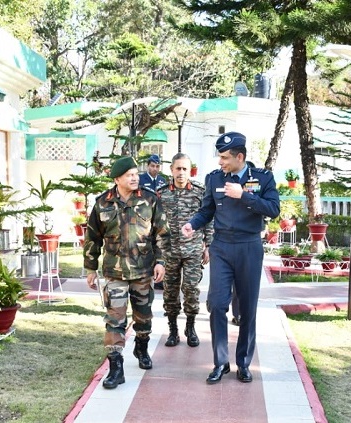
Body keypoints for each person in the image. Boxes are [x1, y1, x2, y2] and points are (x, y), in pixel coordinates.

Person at [181, 132, 280, 384]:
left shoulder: (262, 178)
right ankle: (220, 362)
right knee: (216, 304)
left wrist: (244, 196)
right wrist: (192, 224)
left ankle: (244, 363)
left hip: (249, 246)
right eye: (219, 156)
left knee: (247, 308)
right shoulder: (214, 179)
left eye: (225, 157)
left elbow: (273, 209)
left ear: (240, 157)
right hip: (222, 247)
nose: (220, 162)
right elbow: (206, 211)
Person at [84, 156, 170, 390]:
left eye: (136, 173)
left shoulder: (150, 200)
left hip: (143, 271)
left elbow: (162, 234)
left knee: (143, 317)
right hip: (115, 273)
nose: (135, 177)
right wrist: (90, 267)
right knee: (114, 320)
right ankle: (116, 368)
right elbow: (92, 237)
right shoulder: (102, 203)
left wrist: (160, 261)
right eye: (129, 174)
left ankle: (141, 348)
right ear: (117, 179)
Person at [158, 153, 213, 348]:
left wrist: (208, 245)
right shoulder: (161, 193)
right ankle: (173, 330)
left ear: (190, 171)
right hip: (169, 251)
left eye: (185, 169)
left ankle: (190, 327)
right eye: (178, 168)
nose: (181, 173)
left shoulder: (200, 192)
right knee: (170, 292)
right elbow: (155, 223)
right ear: (171, 170)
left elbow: (208, 218)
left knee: (191, 289)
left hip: (193, 250)